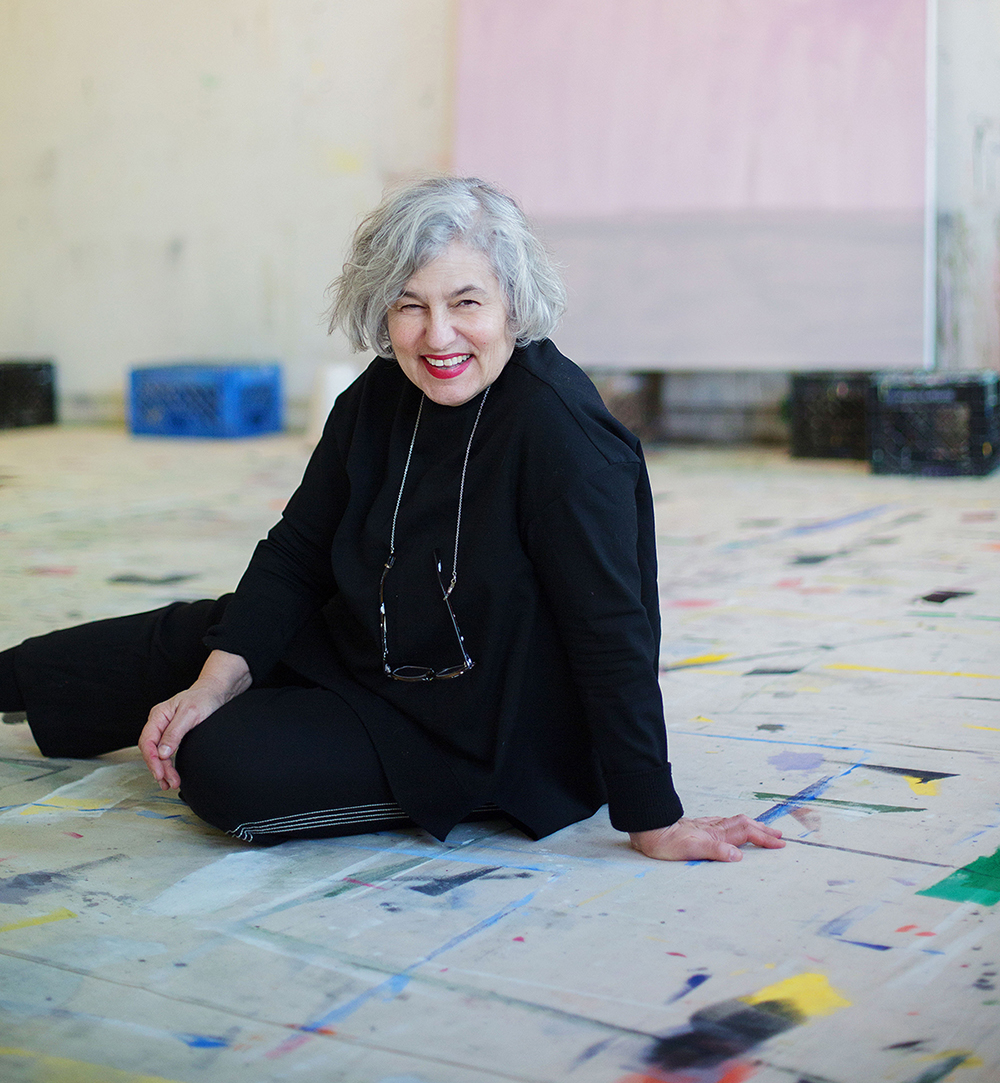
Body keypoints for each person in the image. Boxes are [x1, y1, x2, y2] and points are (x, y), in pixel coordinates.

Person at [0, 177, 783, 864]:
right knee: (188, 645)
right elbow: (299, 552)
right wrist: (213, 680)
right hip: (367, 637)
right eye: (411, 306)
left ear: (514, 300)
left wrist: (653, 815)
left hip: (485, 723)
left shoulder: (562, 437)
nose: (437, 336)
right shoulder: (377, 397)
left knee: (223, 762)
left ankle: (282, 725)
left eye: (465, 303)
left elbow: (612, 630)